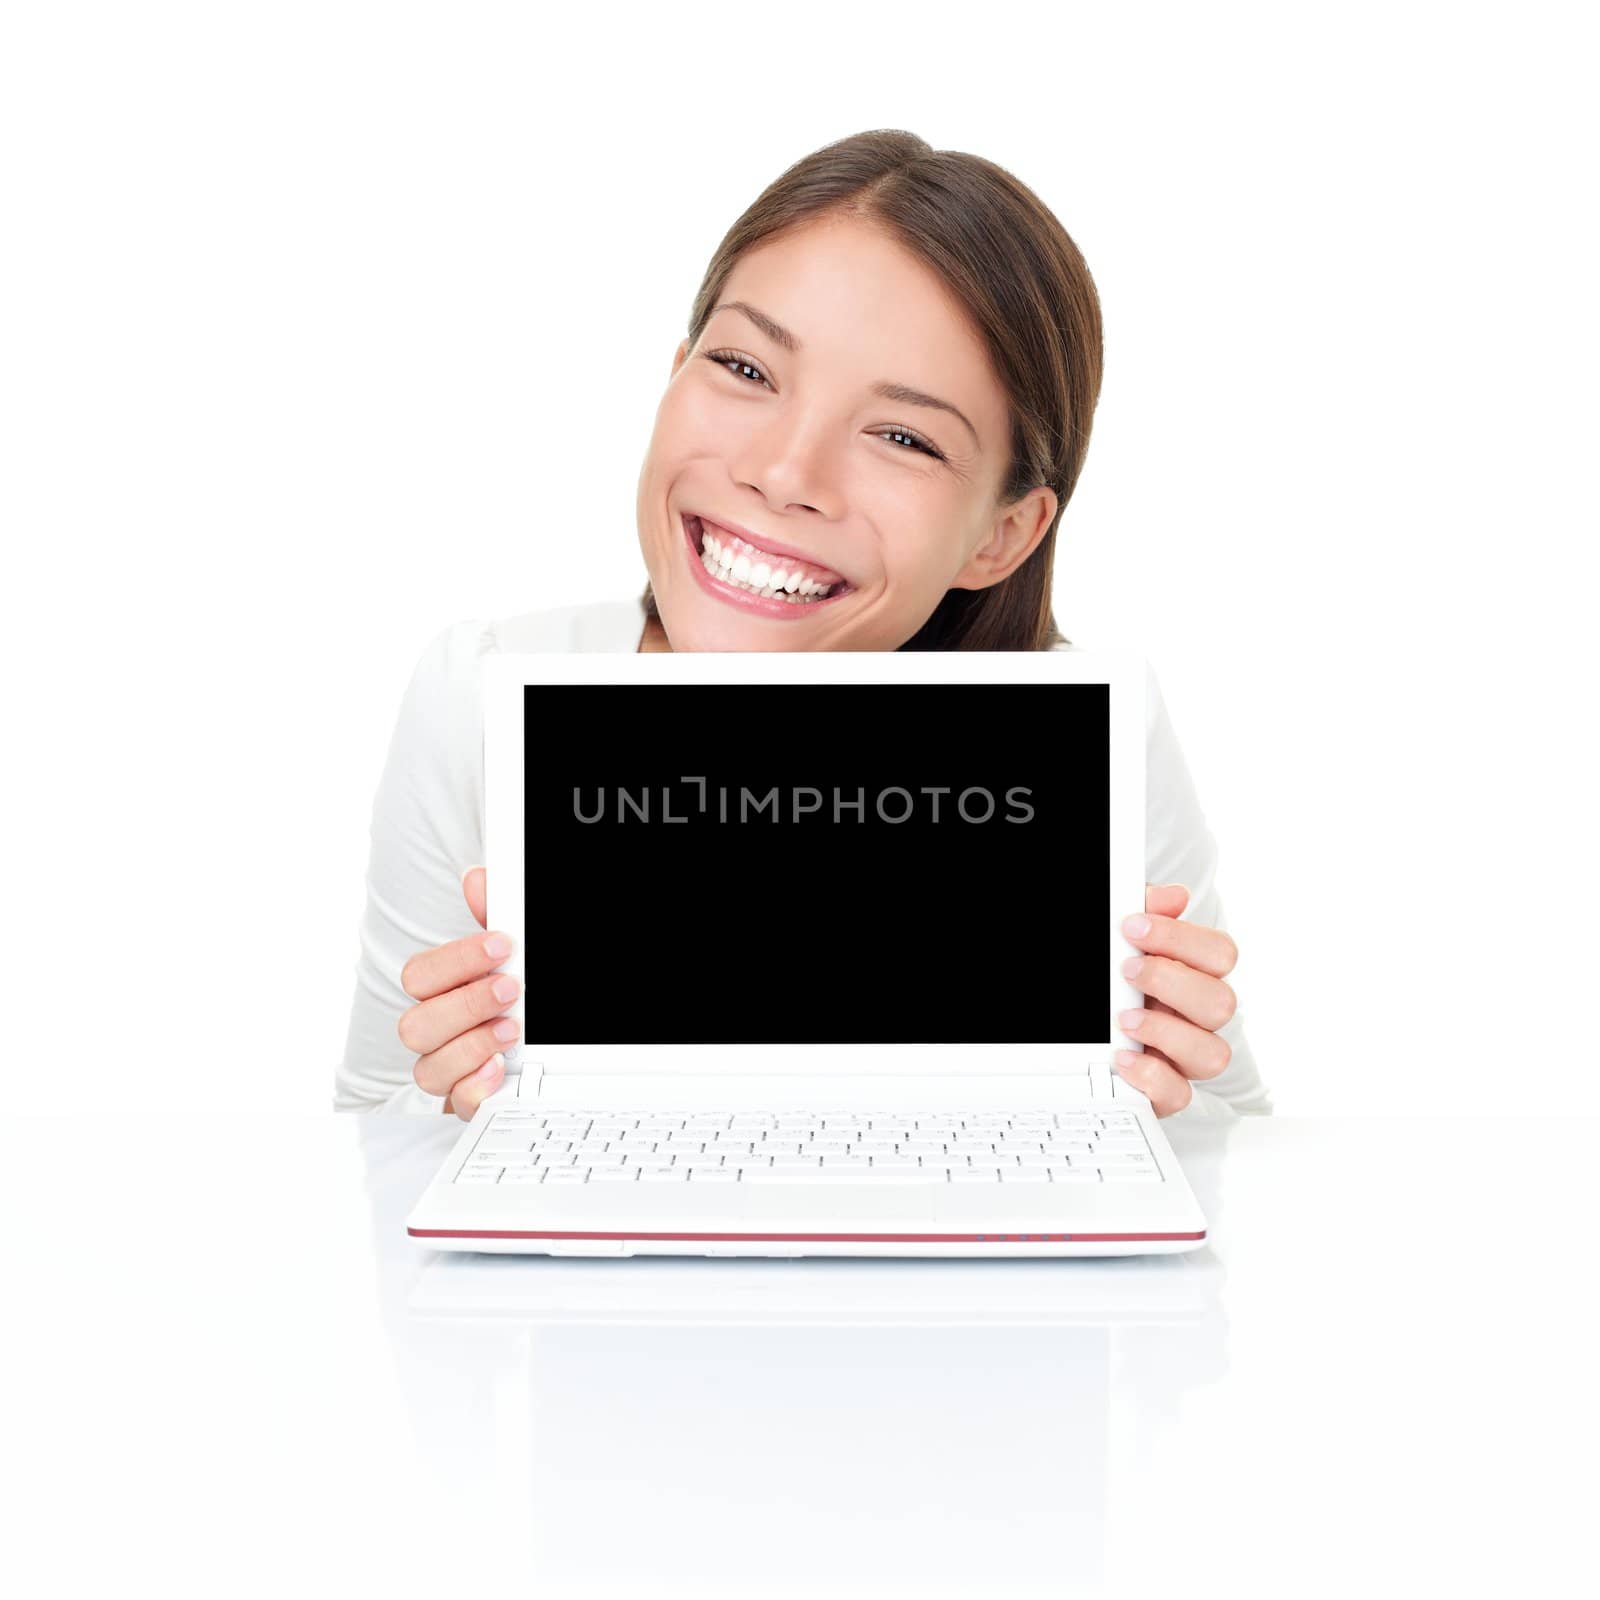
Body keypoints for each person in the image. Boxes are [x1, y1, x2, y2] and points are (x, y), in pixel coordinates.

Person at [336, 129, 1271, 1126]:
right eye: (744, 367)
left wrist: (1168, 1102)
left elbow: (1230, 1133)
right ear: (677, 369)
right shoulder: (480, 693)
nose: (783, 473)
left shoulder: (1094, 744)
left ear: (1001, 535)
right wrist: (451, 1099)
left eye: (903, 436)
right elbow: (372, 1121)